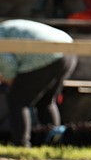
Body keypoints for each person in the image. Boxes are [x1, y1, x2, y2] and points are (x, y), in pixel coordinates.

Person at [0, 19, 77, 147]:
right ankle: (54, 142)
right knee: (46, 102)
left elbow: (8, 66)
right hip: (68, 52)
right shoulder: (5, 29)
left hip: (44, 56)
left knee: (17, 100)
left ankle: (21, 144)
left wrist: (10, 81)